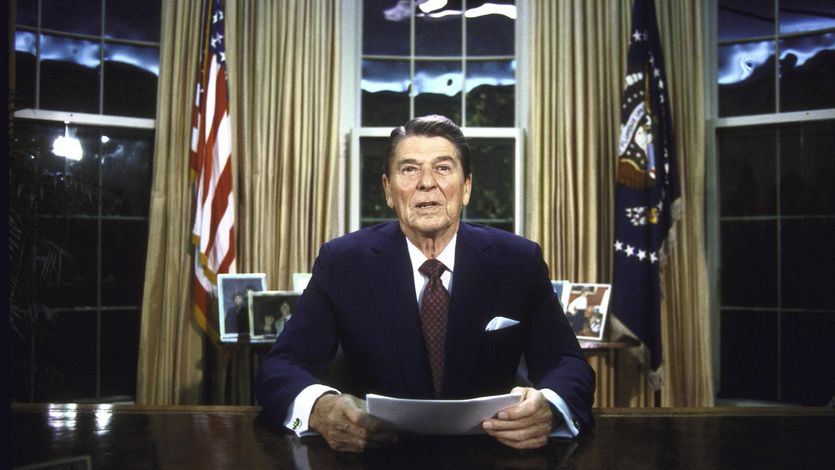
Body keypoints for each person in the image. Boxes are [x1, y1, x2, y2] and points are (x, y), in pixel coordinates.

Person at [255, 115, 595, 452]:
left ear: (466, 187)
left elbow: (568, 364)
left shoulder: (518, 261)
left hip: (491, 454)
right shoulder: (343, 263)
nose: (427, 183)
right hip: (378, 455)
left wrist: (550, 407)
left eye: (443, 168)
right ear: (388, 190)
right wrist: (319, 408)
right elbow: (281, 367)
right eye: (409, 169)